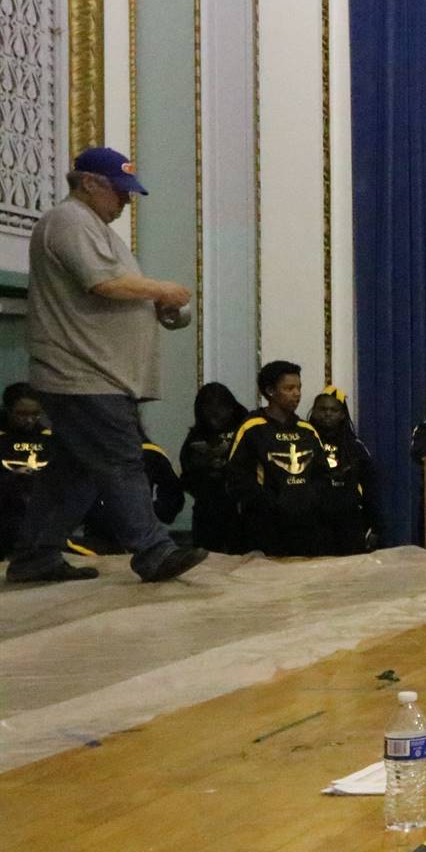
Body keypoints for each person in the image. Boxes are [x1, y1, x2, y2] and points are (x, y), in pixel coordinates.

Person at [6, 147, 204, 584]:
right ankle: (153, 550)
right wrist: (162, 289)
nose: (126, 201)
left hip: (91, 372)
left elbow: (111, 291)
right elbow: (103, 283)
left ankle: (35, 556)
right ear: (91, 182)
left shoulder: (90, 226)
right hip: (84, 372)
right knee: (120, 460)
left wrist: (155, 307)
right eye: (120, 191)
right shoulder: (69, 221)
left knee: (73, 472)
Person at [228, 361, 326, 557]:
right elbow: (237, 476)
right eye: (289, 388)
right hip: (266, 526)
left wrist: (310, 500)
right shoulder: (252, 427)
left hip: (305, 526)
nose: (297, 394)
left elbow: (322, 473)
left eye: (299, 388)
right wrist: (271, 503)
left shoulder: (307, 430)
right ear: (270, 391)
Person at [309, 388, 378, 555]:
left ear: (342, 415)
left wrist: (374, 526)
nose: (327, 414)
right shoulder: (304, 442)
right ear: (314, 411)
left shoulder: (356, 447)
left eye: (333, 410)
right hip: (314, 522)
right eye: (322, 409)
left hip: (349, 523)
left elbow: (371, 488)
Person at [179, 382, 247, 553]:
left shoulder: (245, 429)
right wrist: (206, 464)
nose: (215, 416)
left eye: (220, 409)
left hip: (240, 507)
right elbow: (187, 469)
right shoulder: (196, 436)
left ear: (231, 408)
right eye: (209, 411)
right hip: (207, 507)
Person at [1, 383, 52, 557]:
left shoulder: (49, 437)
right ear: (8, 410)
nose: (29, 420)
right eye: (22, 414)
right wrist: (13, 476)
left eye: (35, 414)